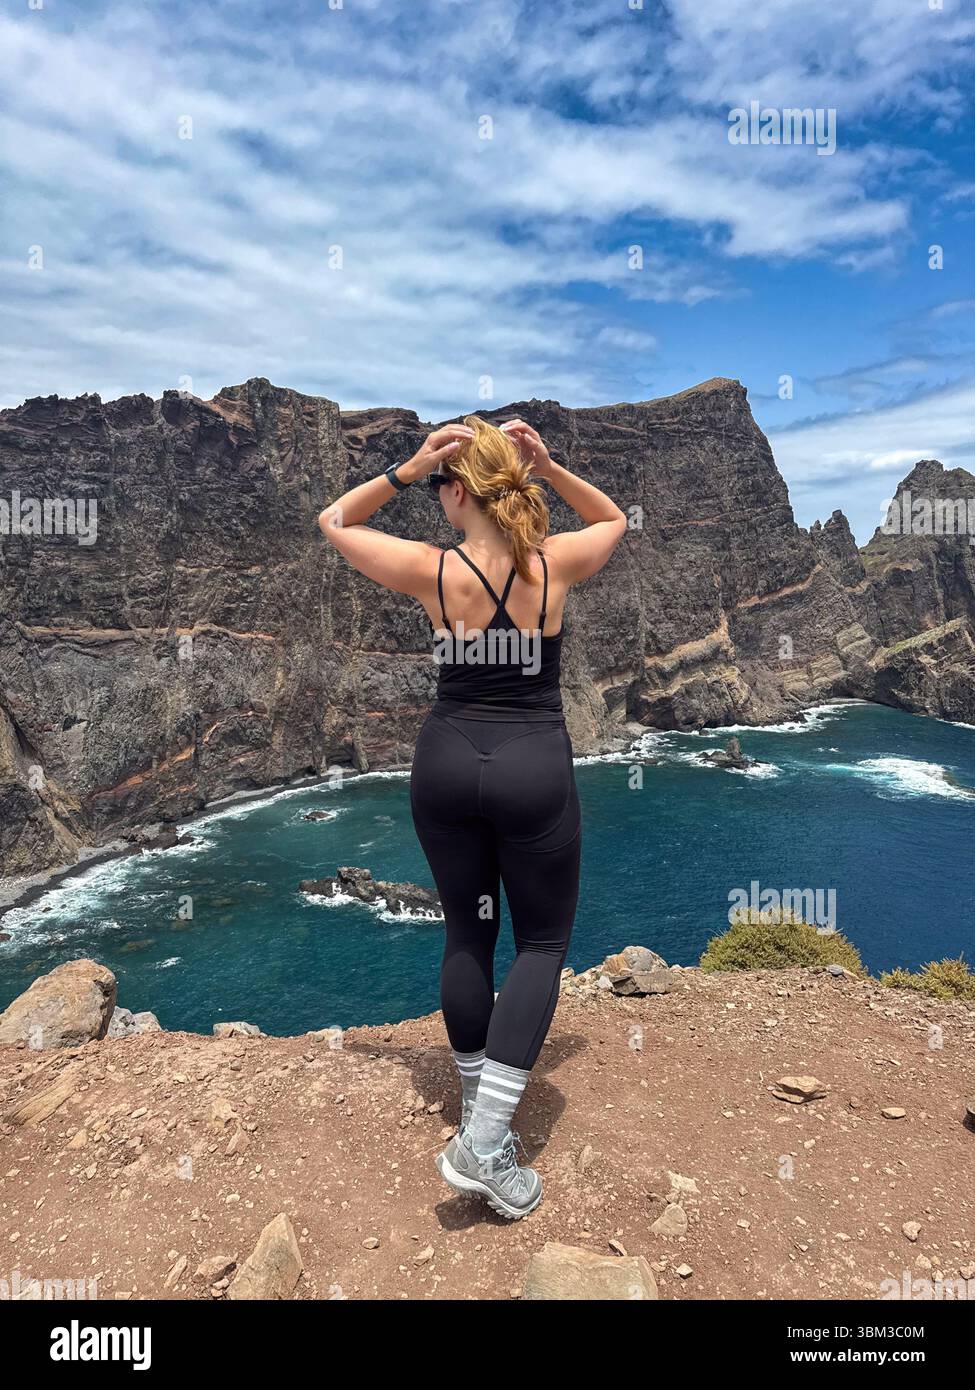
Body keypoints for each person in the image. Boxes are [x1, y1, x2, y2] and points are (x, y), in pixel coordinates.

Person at [319, 414, 626, 1218]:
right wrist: (549, 466)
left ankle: (475, 1107)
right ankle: (485, 1140)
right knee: (543, 941)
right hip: (531, 764)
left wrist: (404, 467)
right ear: (513, 487)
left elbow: (335, 521)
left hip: (446, 762)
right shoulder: (552, 567)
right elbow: (613, 519)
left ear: (456, 494)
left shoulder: (432, 571)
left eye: (440, 489)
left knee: (467, 933)